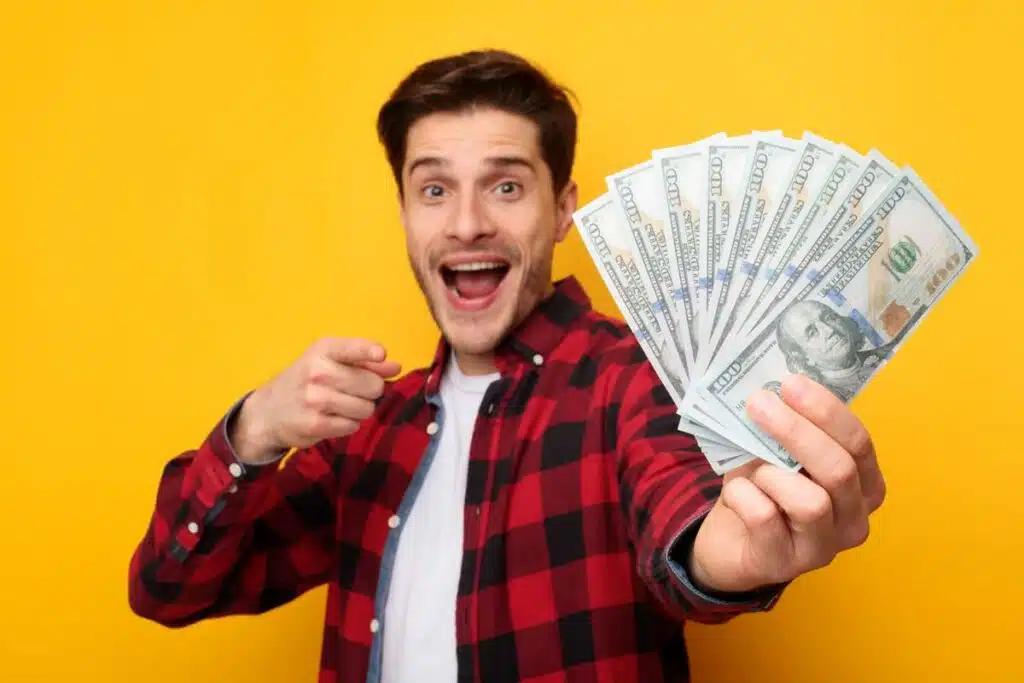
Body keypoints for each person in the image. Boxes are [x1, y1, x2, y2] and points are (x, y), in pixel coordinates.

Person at [128, 49, 887, 683]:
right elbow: (167, 586)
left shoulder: (633, 377)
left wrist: (720, 557)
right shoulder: (366, 429)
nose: (466, 223)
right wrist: (255, 429)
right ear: (404, 212)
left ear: (562, 210)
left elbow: (679, 511)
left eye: (506, 185)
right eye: (433, 189)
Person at [775, 299, 911, 402]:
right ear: (804, 357)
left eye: (829, 318)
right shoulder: (827, 402)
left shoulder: (895, 350)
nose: (829, 330)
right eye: (812, 333)